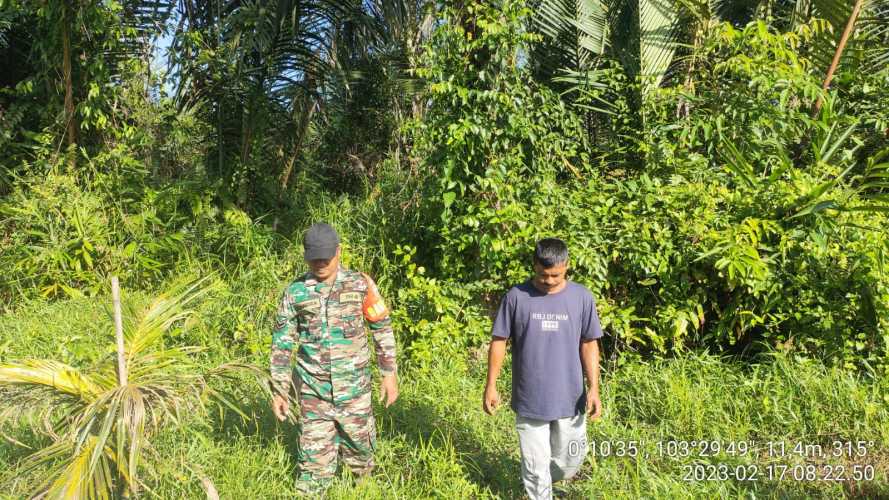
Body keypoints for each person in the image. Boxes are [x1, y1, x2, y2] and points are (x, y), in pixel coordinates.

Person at [270, 222, 398, 494]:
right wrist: (280, 390)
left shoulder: (360, 284)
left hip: (355, 391)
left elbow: (381, 327)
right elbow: (282, 344)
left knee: (361, 455)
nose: (319, 263)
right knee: (313, 468)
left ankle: (361, 490)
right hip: (313, 391)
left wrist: (389, 374)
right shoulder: (296, 292)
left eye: (325, 256)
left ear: (339, 251)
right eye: (313, 257)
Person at [483, 238, 603, 500]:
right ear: (534, 266)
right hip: (530, 398)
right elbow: (499, 341)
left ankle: (549, 478)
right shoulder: (516, 297)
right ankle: (538, 488)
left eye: (555, 275)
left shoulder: (581, 297)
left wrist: (594, 388)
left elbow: (589, 343)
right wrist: (490, 385)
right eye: (542, 275)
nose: (548, 281)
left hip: (571, 398)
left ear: (567, 266)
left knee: (569, 462)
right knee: (537, 470)